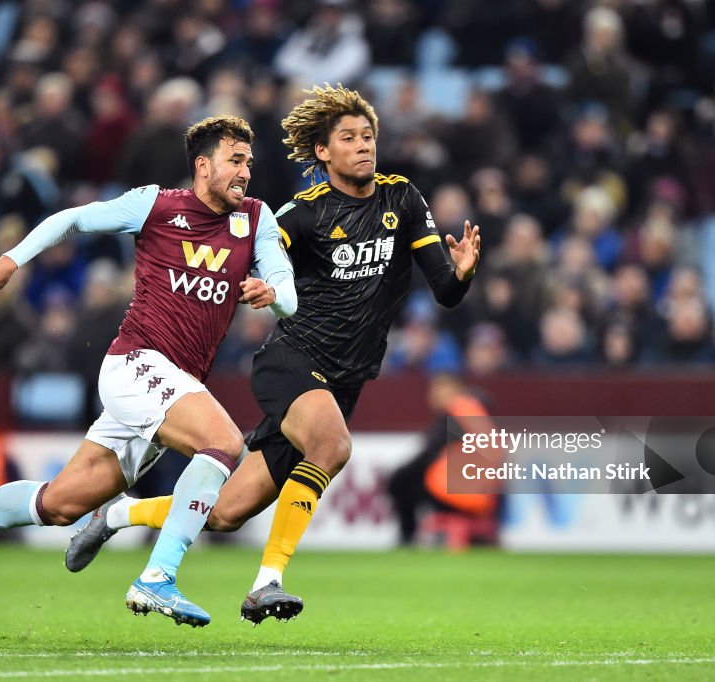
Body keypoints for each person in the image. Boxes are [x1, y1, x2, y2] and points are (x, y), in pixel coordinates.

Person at [65, 85, 481, 624]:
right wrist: (261, 285)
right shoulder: (301, 214)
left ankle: (118, 515)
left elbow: (444, 292)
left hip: (342, 382)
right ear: (323, 152)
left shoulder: (401, 199)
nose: (363, 146)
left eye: (369, 136)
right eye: (349, 138)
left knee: (227, 512)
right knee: (331, 446)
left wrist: (464, 273)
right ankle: (267, 583)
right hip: (291, 359)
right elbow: (245, 250)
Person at [0, 115, 297, 629]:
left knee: (58, 505)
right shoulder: (157, 205)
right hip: (136, 363)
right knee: (226, 444)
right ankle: (157, 577)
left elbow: (288, 292)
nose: (246, 172)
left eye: (249, 163)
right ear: (203, 166)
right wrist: (12, 259)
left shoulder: (257, 220)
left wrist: (275, 296)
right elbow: (71, 219)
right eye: (236, 161)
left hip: (174, 385)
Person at [386, 373, 497, 546]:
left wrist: (397, 474)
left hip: (455, 493)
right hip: (483, 493)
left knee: (400, 482)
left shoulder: (455, 414)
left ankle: (407, 539)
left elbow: (428, 454)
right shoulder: (476, 412)